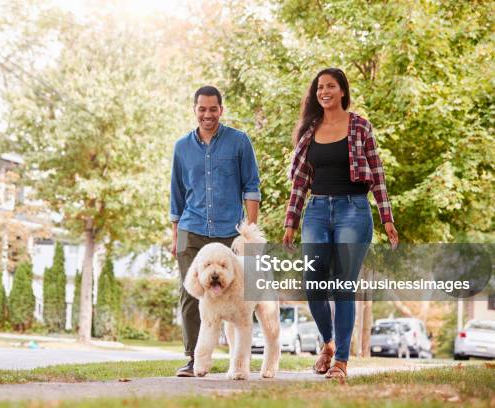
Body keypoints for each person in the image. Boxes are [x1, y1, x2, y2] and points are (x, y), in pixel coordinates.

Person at [282, 68, 399, 379]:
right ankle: (329, 343)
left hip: (353, 210)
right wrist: (290, 222)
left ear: (342, 91)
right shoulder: (310, 130)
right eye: (320, 87)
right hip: (317, 209)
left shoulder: (360, 125)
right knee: (313, 282)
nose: (324, 91)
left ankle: (341, 362)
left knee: (344, 285)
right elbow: (299, 182)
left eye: (331, 86)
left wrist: (387, 218)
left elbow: (377, 173)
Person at [170, 85, 261, 377]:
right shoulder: (182, 147)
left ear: (221, 109)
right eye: (202, 108)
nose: (207, 114)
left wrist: (250, 232)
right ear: (195, 109)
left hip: (228, 232)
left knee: (237, 294)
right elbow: (177, 194)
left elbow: (251, 187)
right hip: (191, 228)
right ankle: (194, 359)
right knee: (191, 295)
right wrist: (175, 236)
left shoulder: (239, 142)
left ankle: (238, 360)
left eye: (212, 109)